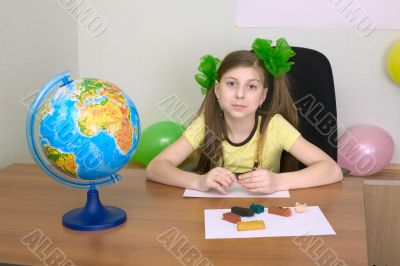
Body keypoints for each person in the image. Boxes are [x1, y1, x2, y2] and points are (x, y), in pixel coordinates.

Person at [146, 37, 343, 194]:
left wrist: (277, 182)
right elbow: (155, 168)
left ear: (263, 96)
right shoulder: (206, 123)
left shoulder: (275, 126)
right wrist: (198, 181)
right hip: (217, 212)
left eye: (251, 86)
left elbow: (332, 170)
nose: (240, 94)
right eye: (231, 84)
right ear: (217, 90)